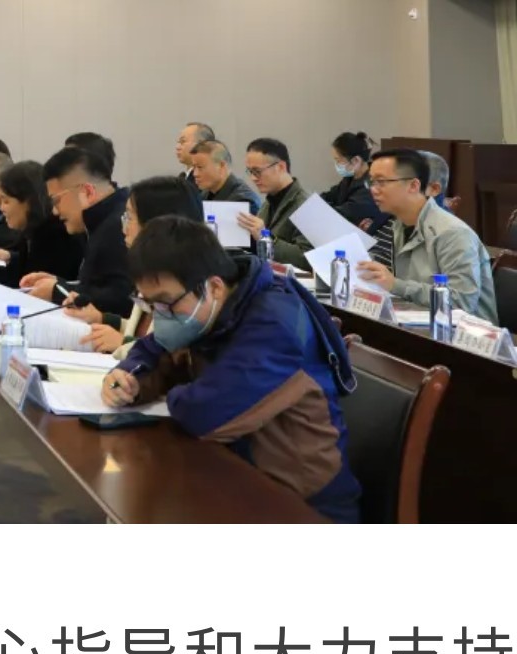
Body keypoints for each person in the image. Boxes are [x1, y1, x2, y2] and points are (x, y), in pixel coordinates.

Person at [103, 215, 361, 523]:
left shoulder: (276, 325)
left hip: (302, 508)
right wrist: (128, 378)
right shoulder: (207, 307)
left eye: (165, 303)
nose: (159, 316)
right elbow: (152, 351)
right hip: (228, 483)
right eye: (149, 305)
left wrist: (174, 388)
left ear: (213, 287)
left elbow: (206, 413)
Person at [356, 148, 496, 322]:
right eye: (371, 182)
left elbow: (461, 303)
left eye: (381, 182)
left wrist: (396, 285)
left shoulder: (452, 233)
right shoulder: (399, 224)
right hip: (420, 321)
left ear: (414, 185)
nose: (373, 190)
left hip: (466, 333)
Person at [66, 175, 199, 353]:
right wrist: (101, 318)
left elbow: (170, 354)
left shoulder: (181, 286)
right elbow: (144, 332)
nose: (124, 228)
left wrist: (124, 343)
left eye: (129, 217)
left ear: (156, 223)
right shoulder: (152, 268)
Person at [22, 145, 131, 318]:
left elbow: (123, 300)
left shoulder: (119, 228)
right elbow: (100, 285)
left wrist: (58, 291)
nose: (55, 212)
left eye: (56, 201)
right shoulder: (105, 220)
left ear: (87, 192)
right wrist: (59, 284)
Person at [0, 160, 83, 293]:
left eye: (6, 201)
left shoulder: (55, 235)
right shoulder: (32, 231)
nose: (2, 208)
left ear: (28, 202)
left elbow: (29, 291)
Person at [237, 138, 311, 266]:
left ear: (281, 167)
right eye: (250, 171)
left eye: (257, 171)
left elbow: (307, 259)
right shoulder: (269, 201)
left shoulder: (306, 206)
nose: (253, 178)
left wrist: (267, 238)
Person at [322, 132, 385, 229]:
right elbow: (330, 196)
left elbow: (345, 214)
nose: (337, 165)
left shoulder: (370, 187)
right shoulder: (349, 178)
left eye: (338, 160)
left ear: (356, 160)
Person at [187, 141, 259, 213]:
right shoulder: (205, 194)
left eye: (200, 167)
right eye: (194, 167)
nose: (195, 174)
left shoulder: (243, 202)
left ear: (221, 166)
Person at [175, 122, 214, 194]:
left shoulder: (206, 180)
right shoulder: (183, 178)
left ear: (201, 144)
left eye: (183, 141)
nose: (177, 147)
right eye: (178, 142)